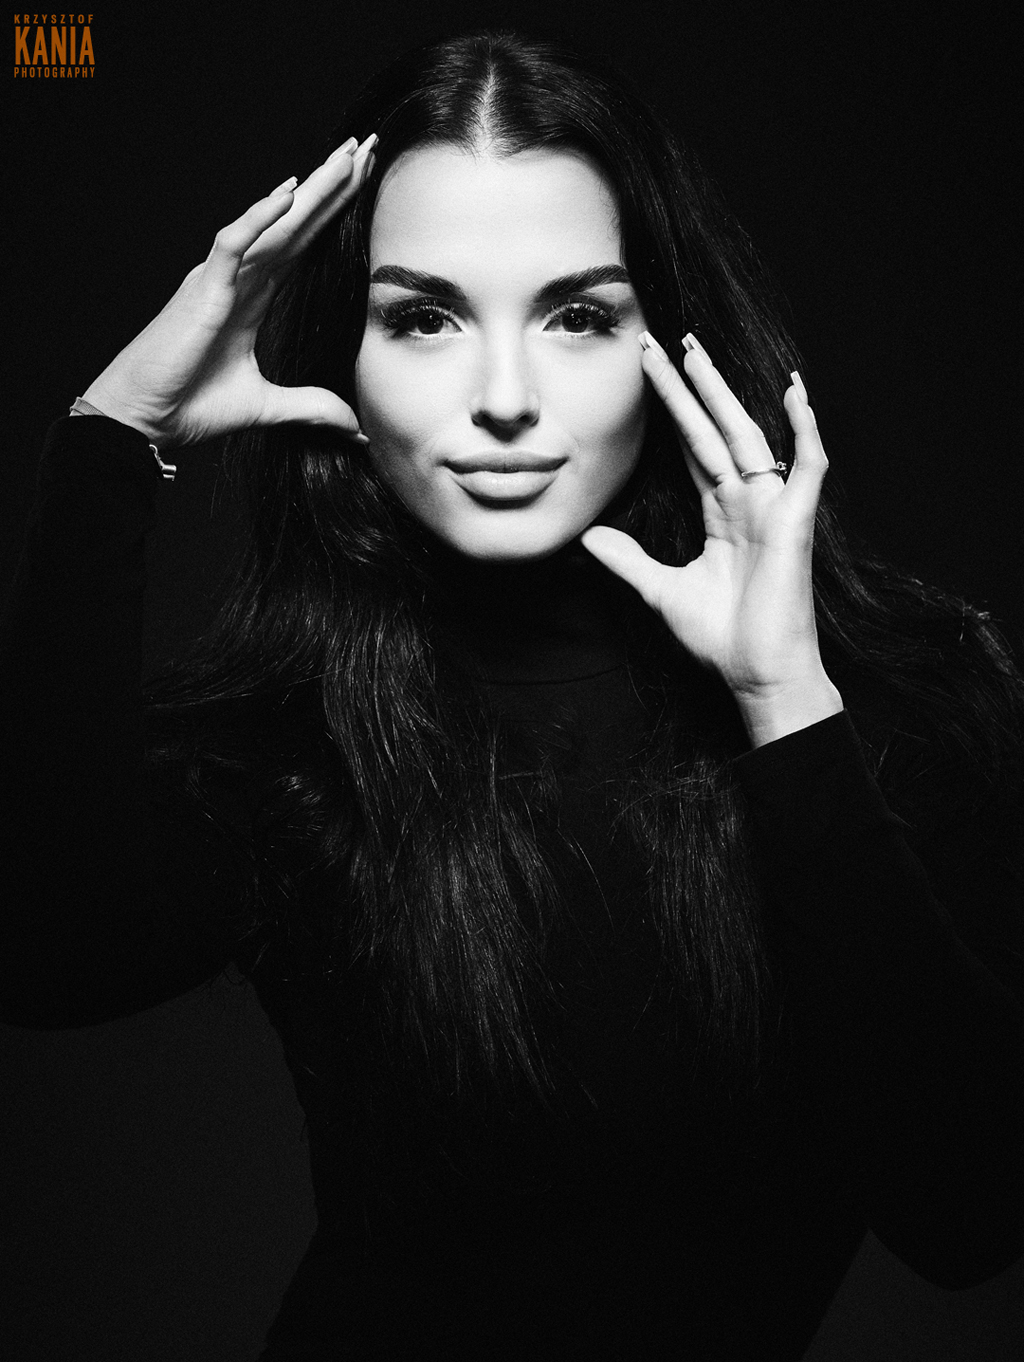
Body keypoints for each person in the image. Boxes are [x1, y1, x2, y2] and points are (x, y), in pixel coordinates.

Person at [3, 29, 1022, 1362]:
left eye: (577, 316)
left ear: (671, 341)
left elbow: (966, 1213)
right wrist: (109, 443)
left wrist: (787, 706)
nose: (502, 401)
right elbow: (44, 956)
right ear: (344, 351)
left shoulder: (900, 705)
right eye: (423, 318)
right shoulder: (297, 737)